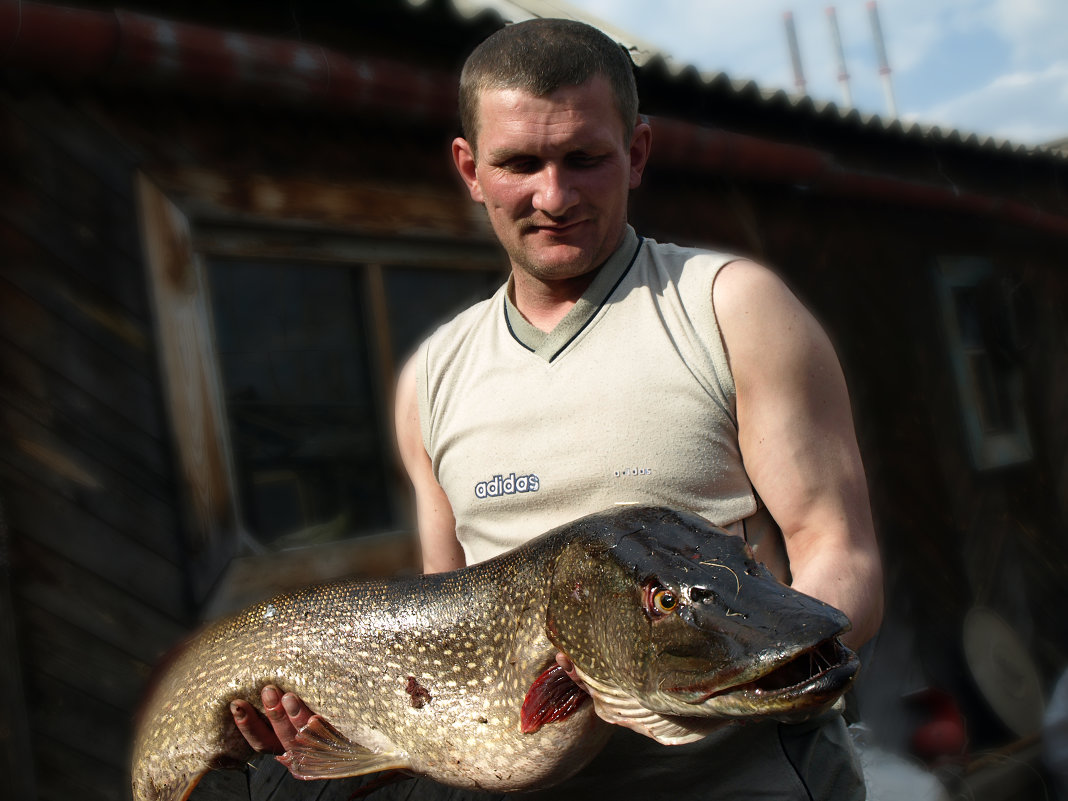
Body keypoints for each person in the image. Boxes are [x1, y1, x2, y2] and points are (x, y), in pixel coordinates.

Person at [229, 17, 883, 800]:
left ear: (636, 153)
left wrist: (773, 662)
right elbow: (447, 624)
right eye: (520, 163)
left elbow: (838, 546)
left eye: (584, 158)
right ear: (469, 168)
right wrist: (329, 725)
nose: (554, 195)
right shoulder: (434, 376)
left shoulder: (731, 307)